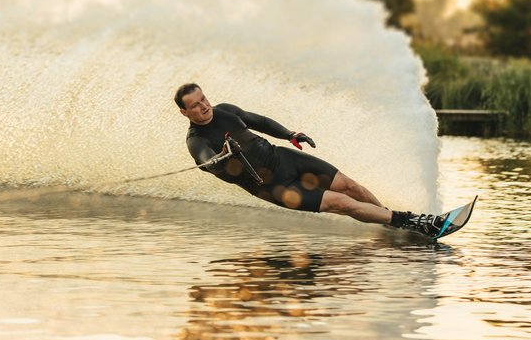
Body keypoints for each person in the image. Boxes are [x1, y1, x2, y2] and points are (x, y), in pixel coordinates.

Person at [174, 82, 442, 236]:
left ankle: (390, 223)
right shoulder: (196, 141)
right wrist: (223, 154)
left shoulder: (226, 111)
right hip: (272, 187)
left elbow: (261, 122)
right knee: (342, 203)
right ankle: (411, 221)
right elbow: (209, 163)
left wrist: (289, 134)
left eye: (203, 99)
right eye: (195, 105)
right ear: (185, 112)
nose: (204, 106)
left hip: (283, 159)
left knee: (350, 187)